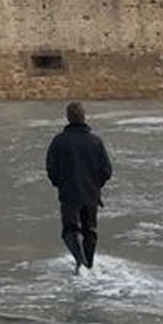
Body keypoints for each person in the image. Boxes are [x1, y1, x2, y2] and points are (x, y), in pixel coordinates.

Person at [46, 101, 113, 274]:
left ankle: (79, 261)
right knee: (90, 230)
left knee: (69, 229)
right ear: (84, 117)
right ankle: (89, 264)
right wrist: (96, 186)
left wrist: (59, 183)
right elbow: (106, 170)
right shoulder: (95, 142)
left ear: (68, 118)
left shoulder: (59, 141)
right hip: (91, 194)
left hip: (69, 194)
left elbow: (51, 168)